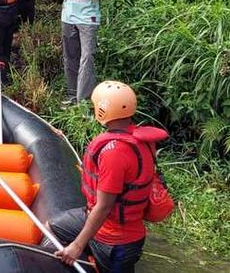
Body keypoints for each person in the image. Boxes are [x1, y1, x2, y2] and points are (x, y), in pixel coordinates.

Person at [50, 80, 169, 272]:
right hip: (116, 227)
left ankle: (90, 253)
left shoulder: (114, 153)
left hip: (115, 241)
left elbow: (104, 206)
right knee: (53, 225)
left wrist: (77, 246)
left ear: (103, 110)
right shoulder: (141, 141)